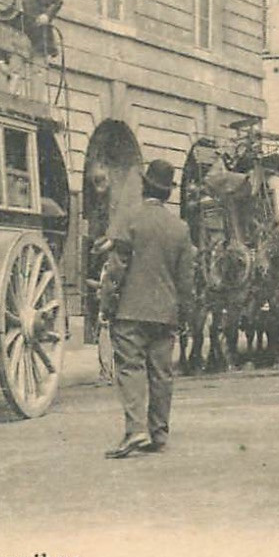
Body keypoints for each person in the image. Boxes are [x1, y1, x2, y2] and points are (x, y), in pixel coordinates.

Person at [100, 159, 196, 459]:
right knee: (162, 373)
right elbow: (186, 281)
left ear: (144, 186)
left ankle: (135, 430)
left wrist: (106, 305)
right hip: (166, 313)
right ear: (168, 193)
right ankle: (159, 433)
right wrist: (185, 315)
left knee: (131, 368)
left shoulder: (130, 220)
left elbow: (116, 270)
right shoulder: (180, 228)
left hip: (130, 311)